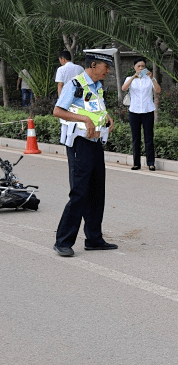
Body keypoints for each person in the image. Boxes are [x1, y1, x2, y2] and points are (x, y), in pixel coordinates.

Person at [52, 48, 118, 257]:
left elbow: (93, 108)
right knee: (79, 193)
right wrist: (85, 120)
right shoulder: (74, 84)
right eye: (105, 67)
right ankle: (63, 241)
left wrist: (106, 116)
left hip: (95, 142)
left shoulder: (97, 86)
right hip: (79, 143)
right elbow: (58, 110)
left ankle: (94, 239)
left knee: (97, 191)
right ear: (93, 65)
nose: (107, 71)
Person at [121, 57, 161, 171]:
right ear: (134, 67)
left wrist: (152, 78)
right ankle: (136, 163)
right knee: (135, 138)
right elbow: (124, 88)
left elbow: (158, 91)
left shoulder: (150, 79)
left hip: (148, 111)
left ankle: (151, 163)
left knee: (149, 137)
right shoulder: (130, 78)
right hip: (134, 111)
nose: (141, 68)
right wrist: (134, 77)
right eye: (138, 66)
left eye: (143, 66)